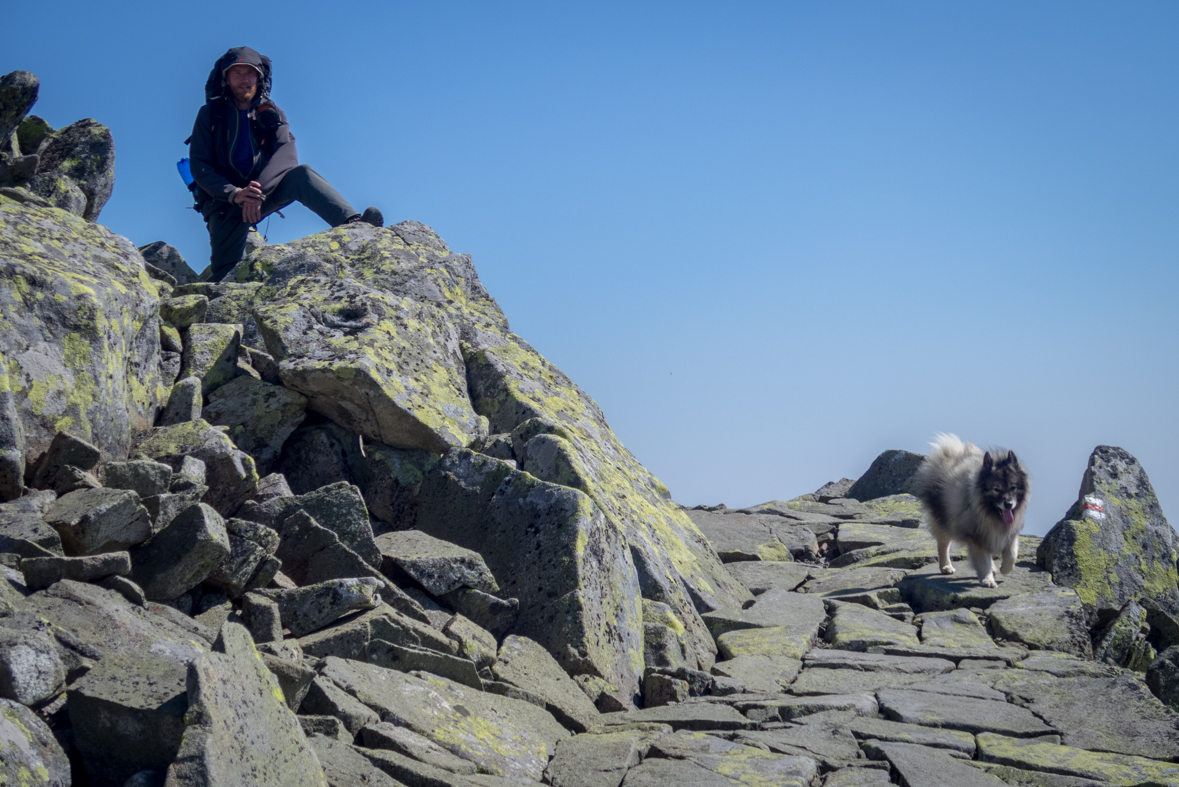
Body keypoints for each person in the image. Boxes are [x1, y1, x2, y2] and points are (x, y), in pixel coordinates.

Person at [188, 46, 382, 282]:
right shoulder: (210, 114)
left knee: (302, 175)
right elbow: (199, 164)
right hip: (224, 203)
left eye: (249, 73)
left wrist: (257, 192)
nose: (244, 79)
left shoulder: (270, 113)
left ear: (259, 78)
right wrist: (235, 194)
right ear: (226, 79)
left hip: (261, 195)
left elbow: (287, 154)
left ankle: (355, 225)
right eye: (236, 73)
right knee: (225, 277)